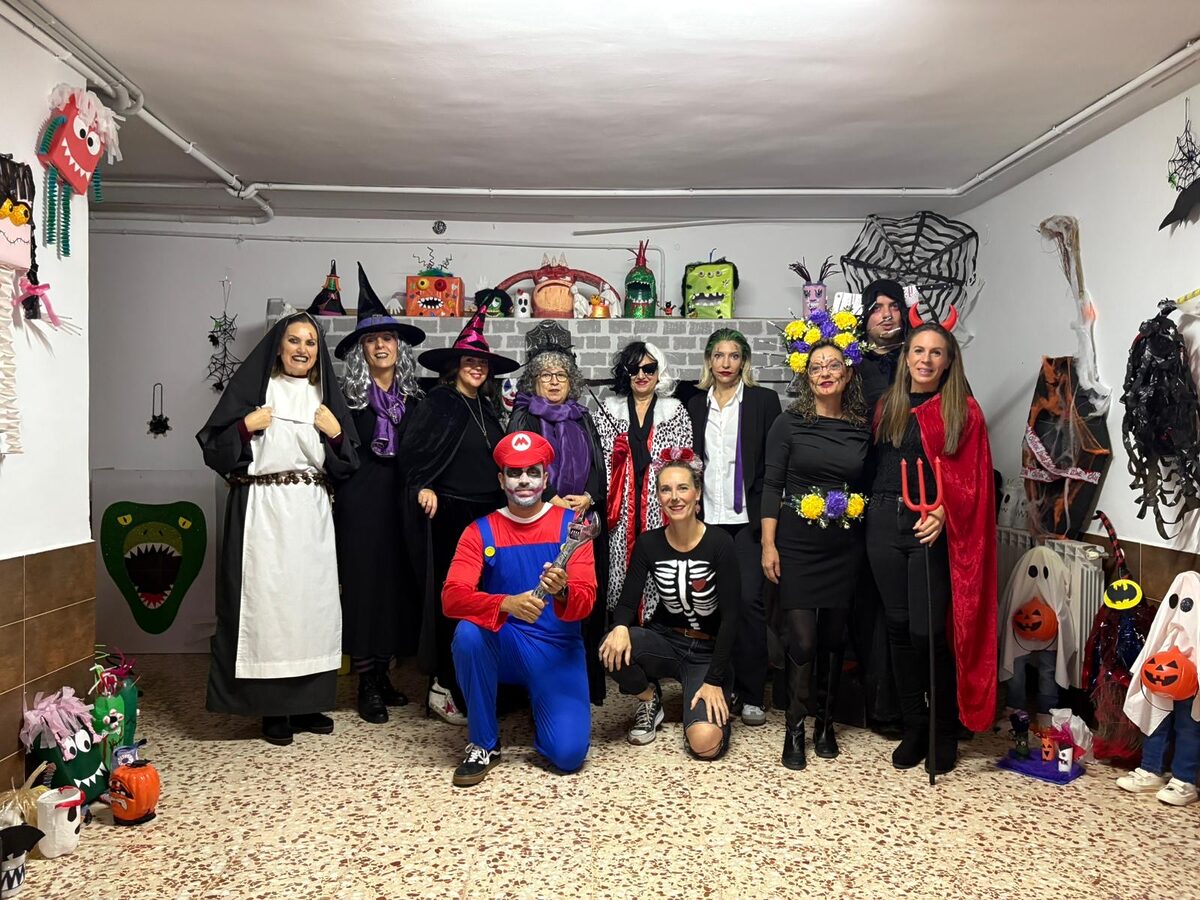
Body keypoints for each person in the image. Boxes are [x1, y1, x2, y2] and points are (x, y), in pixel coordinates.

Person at [196, 311, 358, 746]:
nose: (302, 349)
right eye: (294, 341)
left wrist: (336, 434)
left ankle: (306, 703)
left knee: (310, 608)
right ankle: (271, 708)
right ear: (278, 347)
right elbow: (214, 450)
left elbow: (349, 464)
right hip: (263, 510)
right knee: (269, 609)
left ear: (318, 352)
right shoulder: (257, 392)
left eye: (310, 342)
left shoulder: (324, 397)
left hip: (311, 513)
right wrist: (244, 426)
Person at [867, 322, 996, 774]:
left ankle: (944, 729)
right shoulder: (888, 406)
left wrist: (945, 510)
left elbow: (976, 478)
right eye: (918, 350)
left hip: (929, 528)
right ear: (906, 358)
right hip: (882, 522)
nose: (925, 359)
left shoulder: (964, 410)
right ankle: (915, 726)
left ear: (948, 361)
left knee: (928, 632)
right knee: (898, 628)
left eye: (935, 352)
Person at [443, 431, 597, 786]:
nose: (524, 480)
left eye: (532, 471)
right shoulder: (479, 531)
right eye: (514, 473)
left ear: (546, 477)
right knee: (468, 634)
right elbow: (452, 597)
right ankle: (483, 743)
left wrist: (563, 592)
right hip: (505, 644)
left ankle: (545, 708)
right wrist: (505, 604)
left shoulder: (573, 528)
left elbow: (587, 599)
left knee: (568, 755)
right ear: (502, 480)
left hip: (557, 650)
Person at [398, 307, 520, 725]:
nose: (476, 368)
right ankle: (442, 686)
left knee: (487, 600)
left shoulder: (485, 408)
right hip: (452, 515)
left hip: (489, 517)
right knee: (455, 600)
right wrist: (423, 485)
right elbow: (414, 452)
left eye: (482, 363)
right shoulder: (441, 402)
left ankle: (480, 683)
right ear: (455, 366)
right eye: (469, 361)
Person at [761, 337, 870, 769]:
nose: (825, 372)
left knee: (833, 639)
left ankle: (826, 724)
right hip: (797, 544)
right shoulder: (788, 423)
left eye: (833, 365)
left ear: (847, 373)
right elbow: (772, 485)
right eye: (816, 367)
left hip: (843, 546)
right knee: (803, 640)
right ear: (807, 378)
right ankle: (795, 728)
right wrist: (768, 543)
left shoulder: (862, 427)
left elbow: (868, 484)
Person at [600, 449, 740, 760]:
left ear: (697, 493)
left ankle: (721, 695)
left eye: (682, 488)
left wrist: (714, 680)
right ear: (659, 497)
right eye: (666, 489)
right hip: (667, 641)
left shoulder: (720, 543)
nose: (674, 497)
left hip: (707, 653)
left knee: (705, 744)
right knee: (609, 647)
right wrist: (620, 625)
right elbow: (627, 601)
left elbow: (732, 618)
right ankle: (649, 698)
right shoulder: (649, 543)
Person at [333, 263, 427, 724]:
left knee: (395, 587)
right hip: (361, 503)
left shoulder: (415, 399)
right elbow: (335, 453)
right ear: (362, 350)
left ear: (399, 346)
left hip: (401, 503)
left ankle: (385, 673)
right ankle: (366, 680)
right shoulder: (347, 400)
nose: (381, 345)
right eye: (371, 340)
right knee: (365, 588)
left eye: (387, 337)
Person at [507, 320, 609, 705]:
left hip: (581, 523)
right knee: (543, 600)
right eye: (546, 375)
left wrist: (589, 496)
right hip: (538, 522)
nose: (553, 381)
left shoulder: (582, 416)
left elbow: (599, 466)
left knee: (580, 598)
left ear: (571, 381)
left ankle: (581, 684)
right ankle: (536, 690)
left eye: (561, 375)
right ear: (534, 380)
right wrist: (549, 497)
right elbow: (516, 467)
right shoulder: (524, 416)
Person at [686, 328, 781, 727]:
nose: (726, 363)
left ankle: (754, 692)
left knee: (748, 602)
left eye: (734, 355)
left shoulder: (763, 401)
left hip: (747, 521)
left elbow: (772, 467)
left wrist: (770, 530)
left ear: (744, 361)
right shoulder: (694, 403)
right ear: (709, 361)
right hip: (707, 519)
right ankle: (720, 685)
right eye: (719, 355)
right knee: (710, 604)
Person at [850, 278, 910, 738]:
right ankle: (883, 706)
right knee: (873, 605)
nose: (886, 314)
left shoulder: (923, 357)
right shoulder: (853, 365)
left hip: (920, 497)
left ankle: (920, 703)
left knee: (914, 606)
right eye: (877, 307)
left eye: (893, 305)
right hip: (867, 495)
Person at [595, 341, 694, 611]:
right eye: (634, 369)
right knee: (619, 568)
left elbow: (685, 462)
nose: (641, 375)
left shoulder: (674, 412)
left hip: (660, 505)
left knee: (660, 564)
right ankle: (621, 622)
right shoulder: (608, 411)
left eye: (649, 369)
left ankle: (657, 621)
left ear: (659, 372)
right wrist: (616, 458)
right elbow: (597, 462)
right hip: (620, 506)